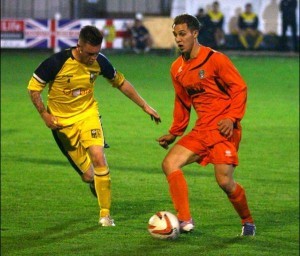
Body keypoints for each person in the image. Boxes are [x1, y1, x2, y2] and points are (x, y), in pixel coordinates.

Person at [27, 25, 161, 226]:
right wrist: (44, 115)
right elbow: (33, 88)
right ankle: (93, 182)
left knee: (99, 158)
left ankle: (105, 215)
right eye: (90, 53)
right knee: (89, 175)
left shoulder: (100, 61)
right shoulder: (56, 62)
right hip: (62, 124)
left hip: (88, 115)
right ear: (79, 46)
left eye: (97, 52)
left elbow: (121, 83)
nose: (93, 57)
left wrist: (145, 106)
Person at [157, 14, 256, 236]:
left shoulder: (216, 59)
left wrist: (232, 118)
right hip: (202, 129)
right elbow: (183, 102)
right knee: (169, 163)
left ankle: (247, 221)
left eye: (182, 34)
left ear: (194, 33)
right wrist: (175, 132)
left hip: (224, 129)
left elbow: (239, 88)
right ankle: (184, 220)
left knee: (224, 181)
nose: (179, 39)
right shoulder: (177, 68)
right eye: (175, 35)